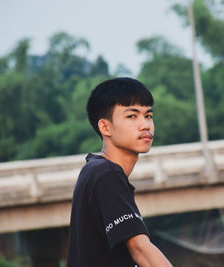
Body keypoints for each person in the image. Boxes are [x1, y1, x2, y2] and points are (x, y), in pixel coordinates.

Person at [66, 77, 172, 267]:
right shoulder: (107, 174)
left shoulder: (94, 169)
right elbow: (140, 250)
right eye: (132, 116)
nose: (145, 125)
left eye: (148, 115)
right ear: (105, 127)